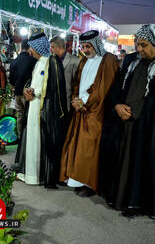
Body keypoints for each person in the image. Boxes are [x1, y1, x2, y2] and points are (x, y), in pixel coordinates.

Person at [99, 24, 155, 219]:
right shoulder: (132, 61)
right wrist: (117, 107)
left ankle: (137, 203)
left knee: (142, 165)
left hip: (149, 129)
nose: (139, 49)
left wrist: (134, 113)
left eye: (144, 45)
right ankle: (119, 198)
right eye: (137, 44)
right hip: (124, 124)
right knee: (121, 162)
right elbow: (117, 88)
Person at [59, 30, 119, 197]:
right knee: (76, 146)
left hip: (96, 112)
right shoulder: (84, 60)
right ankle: (77, 179)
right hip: (80, 110)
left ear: (96, 44)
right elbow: (77, 83)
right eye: (83, 46)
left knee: (89, 149)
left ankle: (89, 184)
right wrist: (75, 99)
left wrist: (85, 103)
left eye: (88, 46)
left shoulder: (109, 60)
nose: (85, 50)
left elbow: (105, 89)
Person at [17, 33, 68, 188]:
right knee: (32, 141)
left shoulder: (52, 61)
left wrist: (35, 92)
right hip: (33, 107)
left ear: (38, 47)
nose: (30, 51)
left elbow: (55, 89)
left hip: (45, 110)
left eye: (31, 48)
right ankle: (30, 174)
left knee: (42, 142)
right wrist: (27, 90)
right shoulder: (38, 62)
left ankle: (40, 175)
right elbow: (31, 81)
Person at [9, 38, 37, 135]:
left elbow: (11, 80)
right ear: (30, 47)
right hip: (30, 94)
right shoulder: (34, 61)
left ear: (21, 47)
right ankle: (28, 137)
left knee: (20, 115)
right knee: (29, 115)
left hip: (17, 94)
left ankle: (21, 136)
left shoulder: (14, 61)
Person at [50, 35, 79, 111]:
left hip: (67, 102)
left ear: (59, 47)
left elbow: (77, 84)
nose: (50, 49)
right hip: (54, 101)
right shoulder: (53, 60)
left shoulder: (74, 61)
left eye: (52, 47)